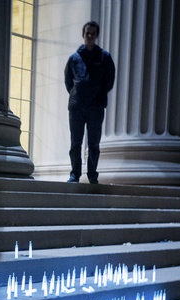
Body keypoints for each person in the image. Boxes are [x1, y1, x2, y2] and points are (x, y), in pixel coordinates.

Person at [64, 21, 115, 184]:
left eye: (93, 33)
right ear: (83, 34)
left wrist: (97, 96)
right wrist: (78, 94)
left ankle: (92, 174)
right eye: (88, 33)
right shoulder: (74, 58)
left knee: (94, 143)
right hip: (77, 107)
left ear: (97, 35)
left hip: (96, 108)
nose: (90, 36)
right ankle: (75, 174)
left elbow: (109, 80)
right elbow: (68, 81)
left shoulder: (104, 57)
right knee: (75, 143)